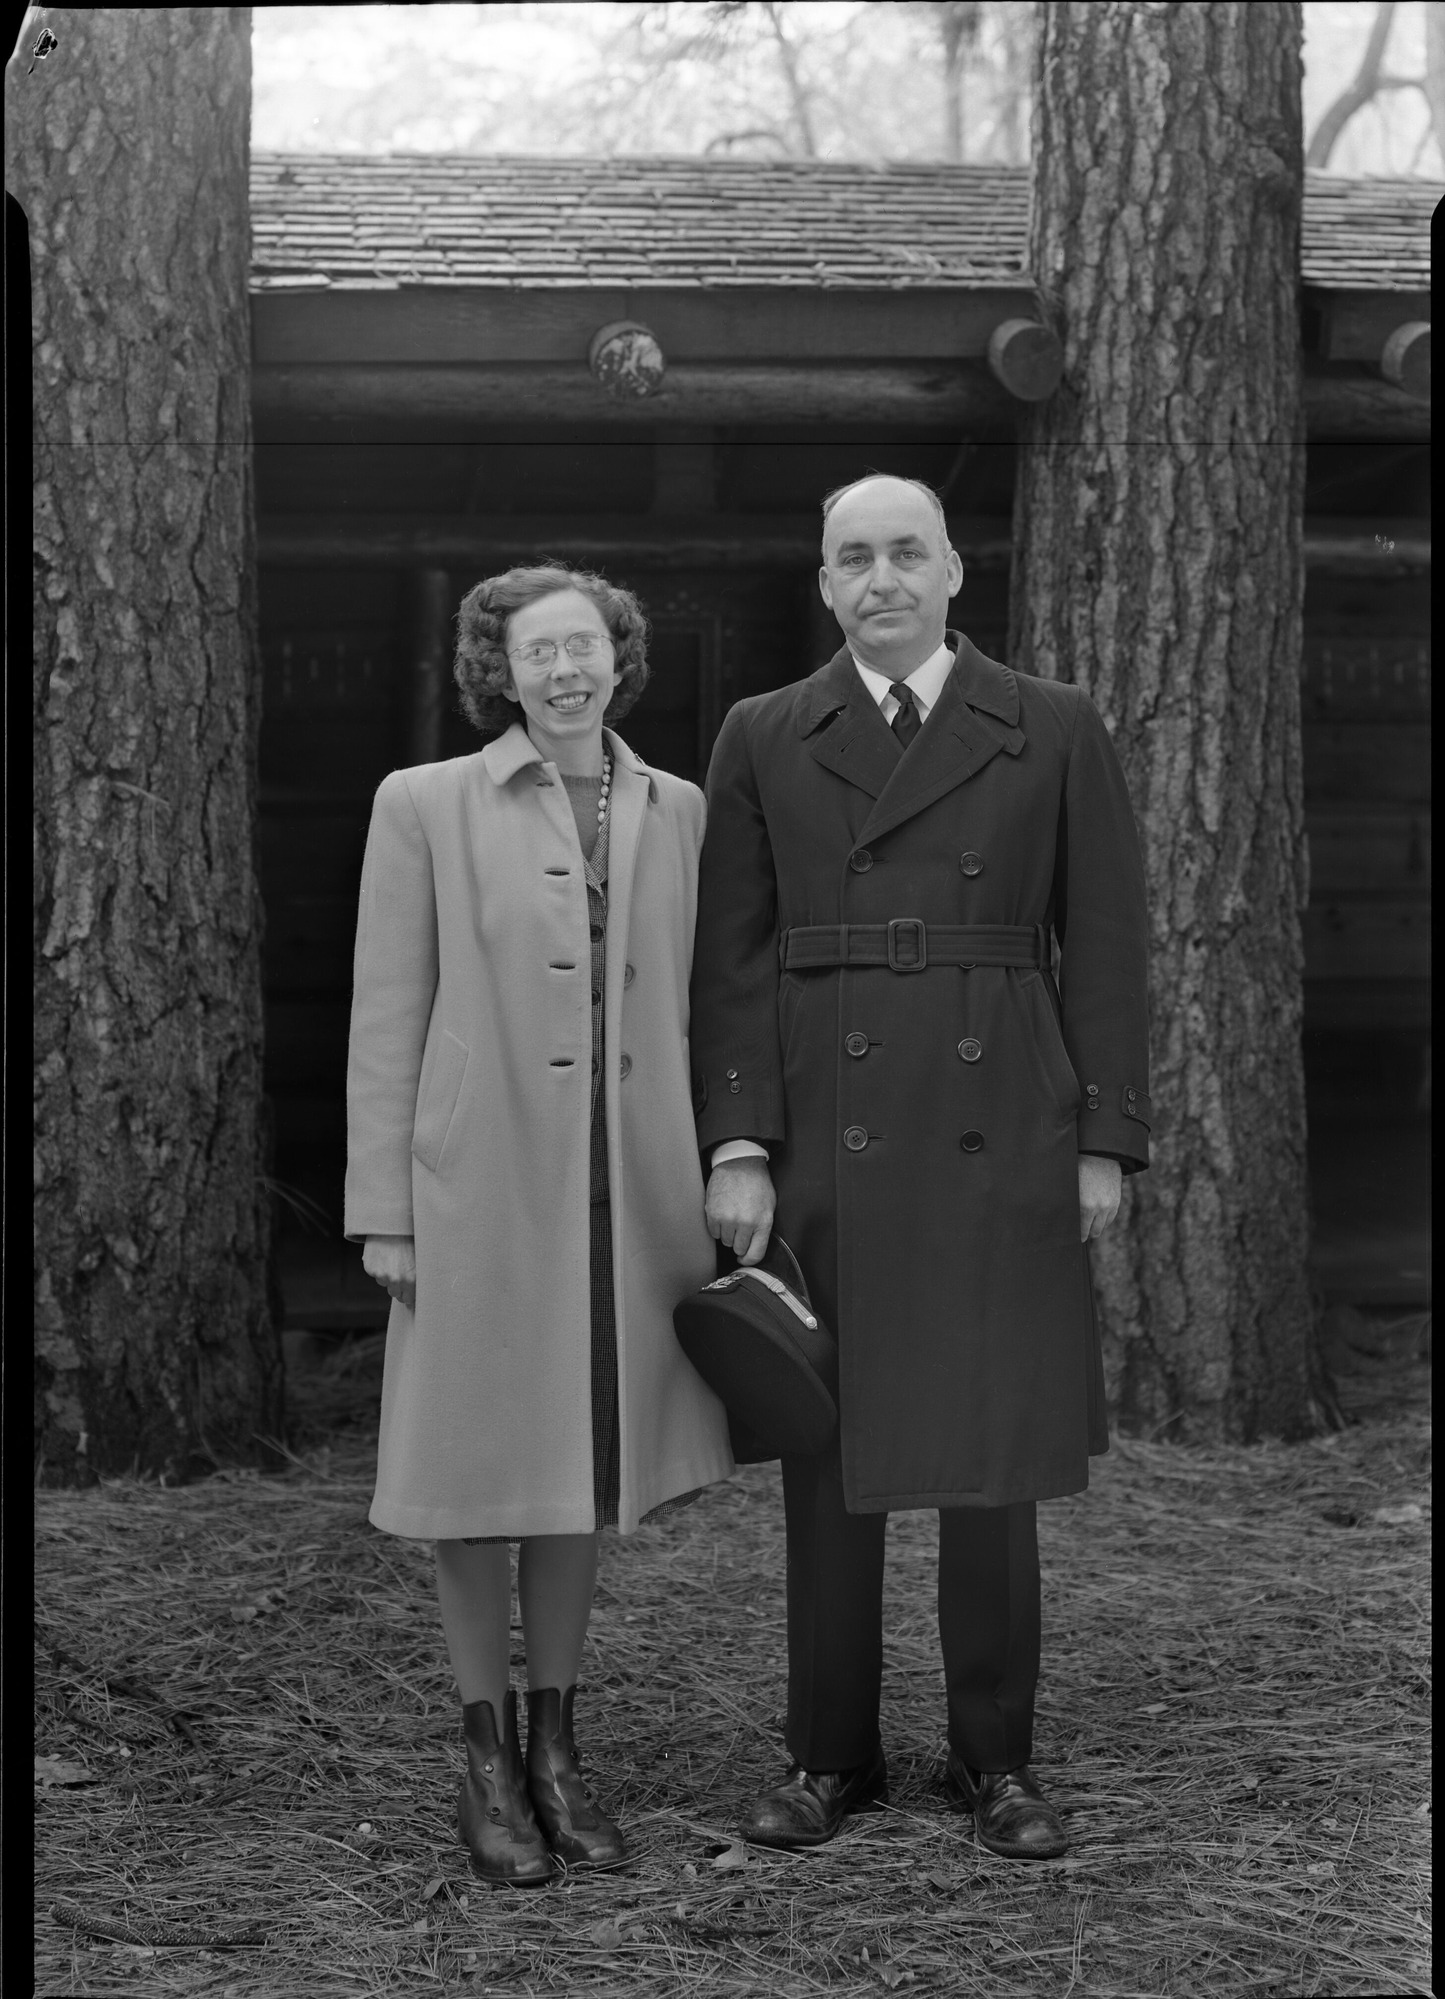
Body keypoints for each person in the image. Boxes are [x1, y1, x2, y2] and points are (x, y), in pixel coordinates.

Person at [690, 474, 1151, 1860]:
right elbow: (732, 959)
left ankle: (996, 1760)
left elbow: (1109, 941)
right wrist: (737, 1141)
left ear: (953, 571)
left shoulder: (1052, 725)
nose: (879, 577)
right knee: (832, 1456)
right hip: (827, 1121)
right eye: (852, 557)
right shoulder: (765, 732)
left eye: (905, 552)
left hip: (1001, 1116)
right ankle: (829, 1757)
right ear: (823, 584)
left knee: (991, 1455)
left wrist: (1102, 1140)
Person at [345, 562, 733, 1887]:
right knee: (471, 1467)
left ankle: (559, 1748)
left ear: (619, 660)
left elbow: (704, 993)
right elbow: (388, 1011)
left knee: (581, 1460)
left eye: (585, 648)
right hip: (475, 1184)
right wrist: (382, 1211)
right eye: (536, 654)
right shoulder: (426, 804)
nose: (564, 672)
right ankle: (482, 1755)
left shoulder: (679, 809)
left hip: (628, 1181)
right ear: (497, 675)